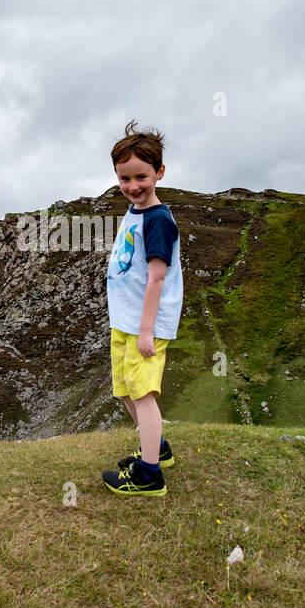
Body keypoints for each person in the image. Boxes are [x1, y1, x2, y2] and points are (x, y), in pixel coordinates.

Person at [101, 119, 183, 496]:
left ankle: (150, 475)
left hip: (143, 325)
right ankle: (157, 448)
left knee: (143, 394)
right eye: (124, 179)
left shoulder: (159, 220)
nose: (133, 187)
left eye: (141, 177)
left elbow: (156, 278)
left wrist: (147, 330)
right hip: (126, 321)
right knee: (125, 391)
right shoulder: (135, 212)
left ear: (159, 172)